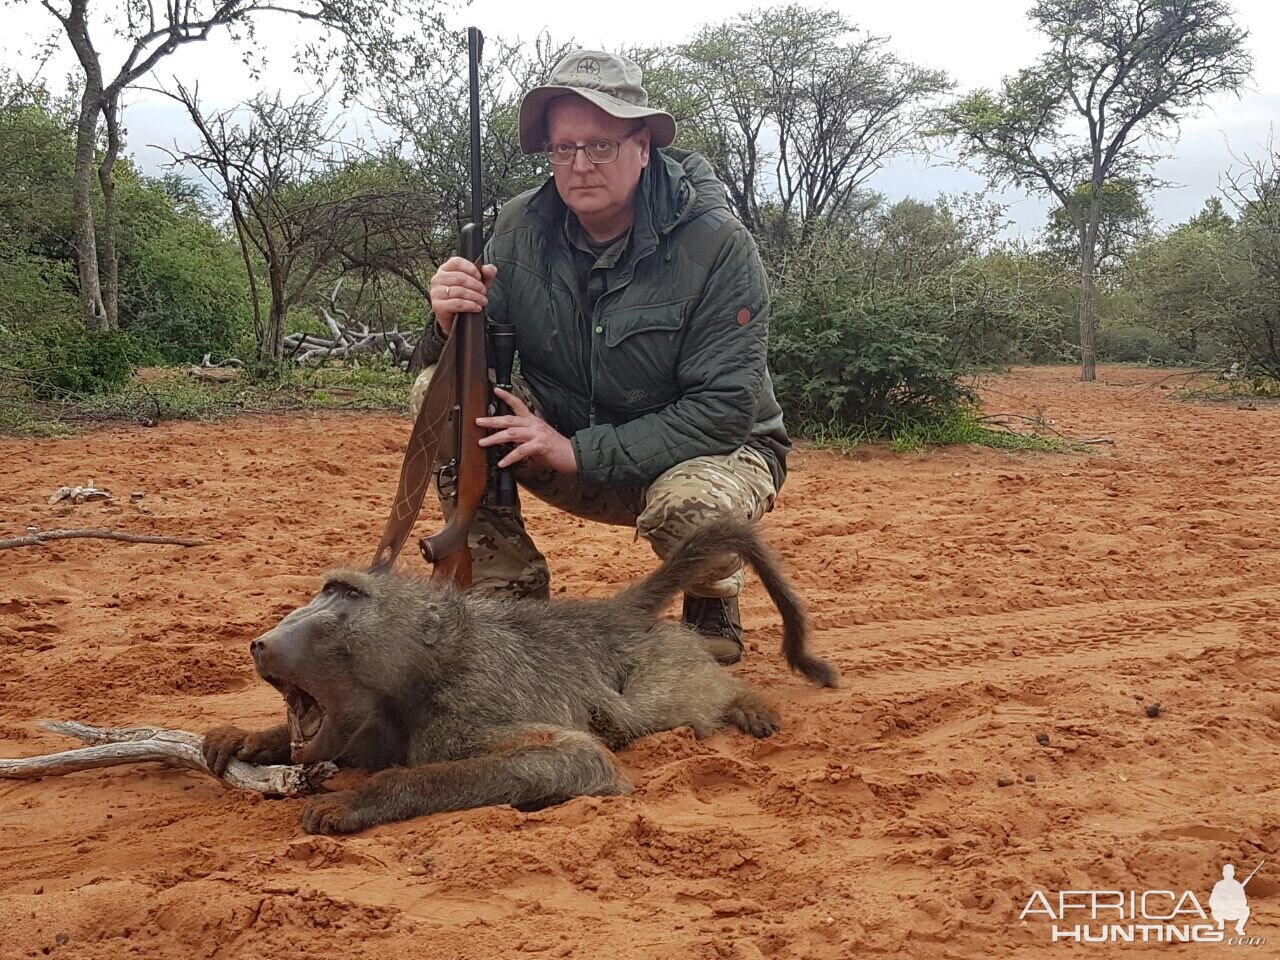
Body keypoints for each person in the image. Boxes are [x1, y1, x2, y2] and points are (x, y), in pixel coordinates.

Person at [412, 49, 791, 666]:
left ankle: (710, 591)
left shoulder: (719, 243)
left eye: (602, 146)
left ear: (644, 145)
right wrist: (444, 323)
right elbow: (442, 366)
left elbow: (723, 411)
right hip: (570, 439)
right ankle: (506, 594)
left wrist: (575, 451)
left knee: (688, 513)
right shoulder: (515, 229)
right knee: (441, 390)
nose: (580, 165)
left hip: (707, 455)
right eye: (564, 149)